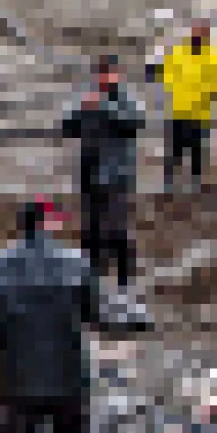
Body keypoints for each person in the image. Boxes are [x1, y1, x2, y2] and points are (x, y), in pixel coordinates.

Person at [0, 197, 101, 433]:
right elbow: (92, 311)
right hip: (67, 373)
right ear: (45, 224)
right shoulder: (77, 263)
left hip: (17, 375)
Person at [61, 54, 146, 290]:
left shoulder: (126, 99)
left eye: (108, 73)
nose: (104, 78)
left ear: (117, 74)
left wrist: (105, 106)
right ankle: (91, 278)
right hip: (90, 172)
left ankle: (125, 281)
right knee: (90, 229)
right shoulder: (87, 97)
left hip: (116, 174)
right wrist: (79, 112)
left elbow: (134, 124)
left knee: (117, 228)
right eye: (100, 73)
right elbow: (68, 129)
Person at [154, 22, 217, 195]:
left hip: (199, 112)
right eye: (196, 32)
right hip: (179, 109)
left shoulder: (213, 56)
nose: (198, 36)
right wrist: (181, 90)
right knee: (174, 149)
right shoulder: (178, 52)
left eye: (202, 33)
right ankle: (168, 182)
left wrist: (198, 92)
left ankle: (195, 181)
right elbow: (167, 76)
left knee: (196, 149)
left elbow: (215, 84)